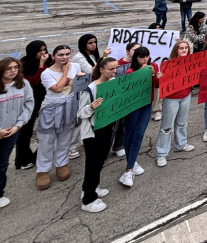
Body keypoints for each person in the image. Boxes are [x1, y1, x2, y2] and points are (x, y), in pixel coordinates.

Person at [0, 58, 34, 216]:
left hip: (12, 131)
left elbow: (29, 104)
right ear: (0, 70)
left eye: (16, 68)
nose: (13, 71)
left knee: (2, 164)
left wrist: (18, 125)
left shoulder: (23, 84)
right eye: (8, 68)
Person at [36, 45, 82, 191]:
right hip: (52, 108)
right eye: (61, 54)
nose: (65, 57)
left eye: (67, 54)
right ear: (53, 56)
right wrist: (66, 72)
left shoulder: (75, 66)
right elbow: (57, 88)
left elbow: (78, 83)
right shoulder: (46, 73)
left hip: (69, 105)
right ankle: (42, 170)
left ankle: (61, 163)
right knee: (46, 140)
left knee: (65, 137)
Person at [77, 56, 118, 213]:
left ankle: (90, 187)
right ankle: (88, 200)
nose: (114, 71)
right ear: (101, 69)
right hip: (93, 131)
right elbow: (81, 113)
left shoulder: (113, 83)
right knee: (93, 163)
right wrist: (91, 107)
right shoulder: (90, 89)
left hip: (107, 127)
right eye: (111, 69)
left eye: (115, 68)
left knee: (101, 159)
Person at [120, 47, 158, 188]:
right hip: (133, 107)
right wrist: (142, 73)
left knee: (139, 135)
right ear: (136, 58)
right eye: (141, 57)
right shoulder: (130, 72)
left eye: (146, 56)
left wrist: (153, 75)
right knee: (130, 135)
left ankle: (130, 165)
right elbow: (128, 90)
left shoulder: (153, 67)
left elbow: (157, 85)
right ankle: (130, 167)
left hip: (146, 105)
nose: (144, 59)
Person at [155, 40, 196, 167]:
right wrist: (158, 77)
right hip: (171, 98)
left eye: (186, 48)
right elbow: (157, 85)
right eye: (181, 48)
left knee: (182, 122)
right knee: (166, 127)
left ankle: (181, 144)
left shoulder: (191, 62)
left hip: (186, 95)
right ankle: (161, 154)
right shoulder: (167, 64)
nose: (184, 50)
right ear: (175, 51)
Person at [14, 40, 48, 170]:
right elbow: (34, 81)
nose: (43, 53)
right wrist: (41, 65)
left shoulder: (46, 61)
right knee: (26, 129)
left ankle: (41, 154)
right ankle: (23, 159)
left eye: (44, 50)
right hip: (31, 98)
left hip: (44, 97)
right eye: (40, 51)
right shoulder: (24, 64)